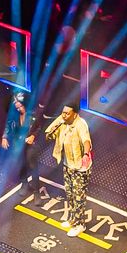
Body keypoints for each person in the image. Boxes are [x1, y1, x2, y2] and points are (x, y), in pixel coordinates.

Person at [44, 102, 93, 238]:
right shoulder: (62, 120)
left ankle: (80, 225)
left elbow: (86, 141)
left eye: (67, 113)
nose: (64, 115)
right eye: (63, 112)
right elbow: (49, 134)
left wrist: (85, 154)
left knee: (78, 197)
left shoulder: (81, 124)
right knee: (70, 194)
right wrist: (54, 128)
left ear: (74, 114)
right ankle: (72, 219)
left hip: (80, 168)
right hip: (68, 164)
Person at [1, 91, 44, 195]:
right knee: (21, 165)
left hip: (31, 145)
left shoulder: (34, 114)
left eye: (21, 106)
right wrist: (4, 137)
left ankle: (36, 192)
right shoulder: (15, 116)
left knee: (33, 167)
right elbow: (8, 124)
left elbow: (40, 127)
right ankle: (24, 184)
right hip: (19, 144)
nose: (19, 109)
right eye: (17, 108)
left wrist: (33, 136)